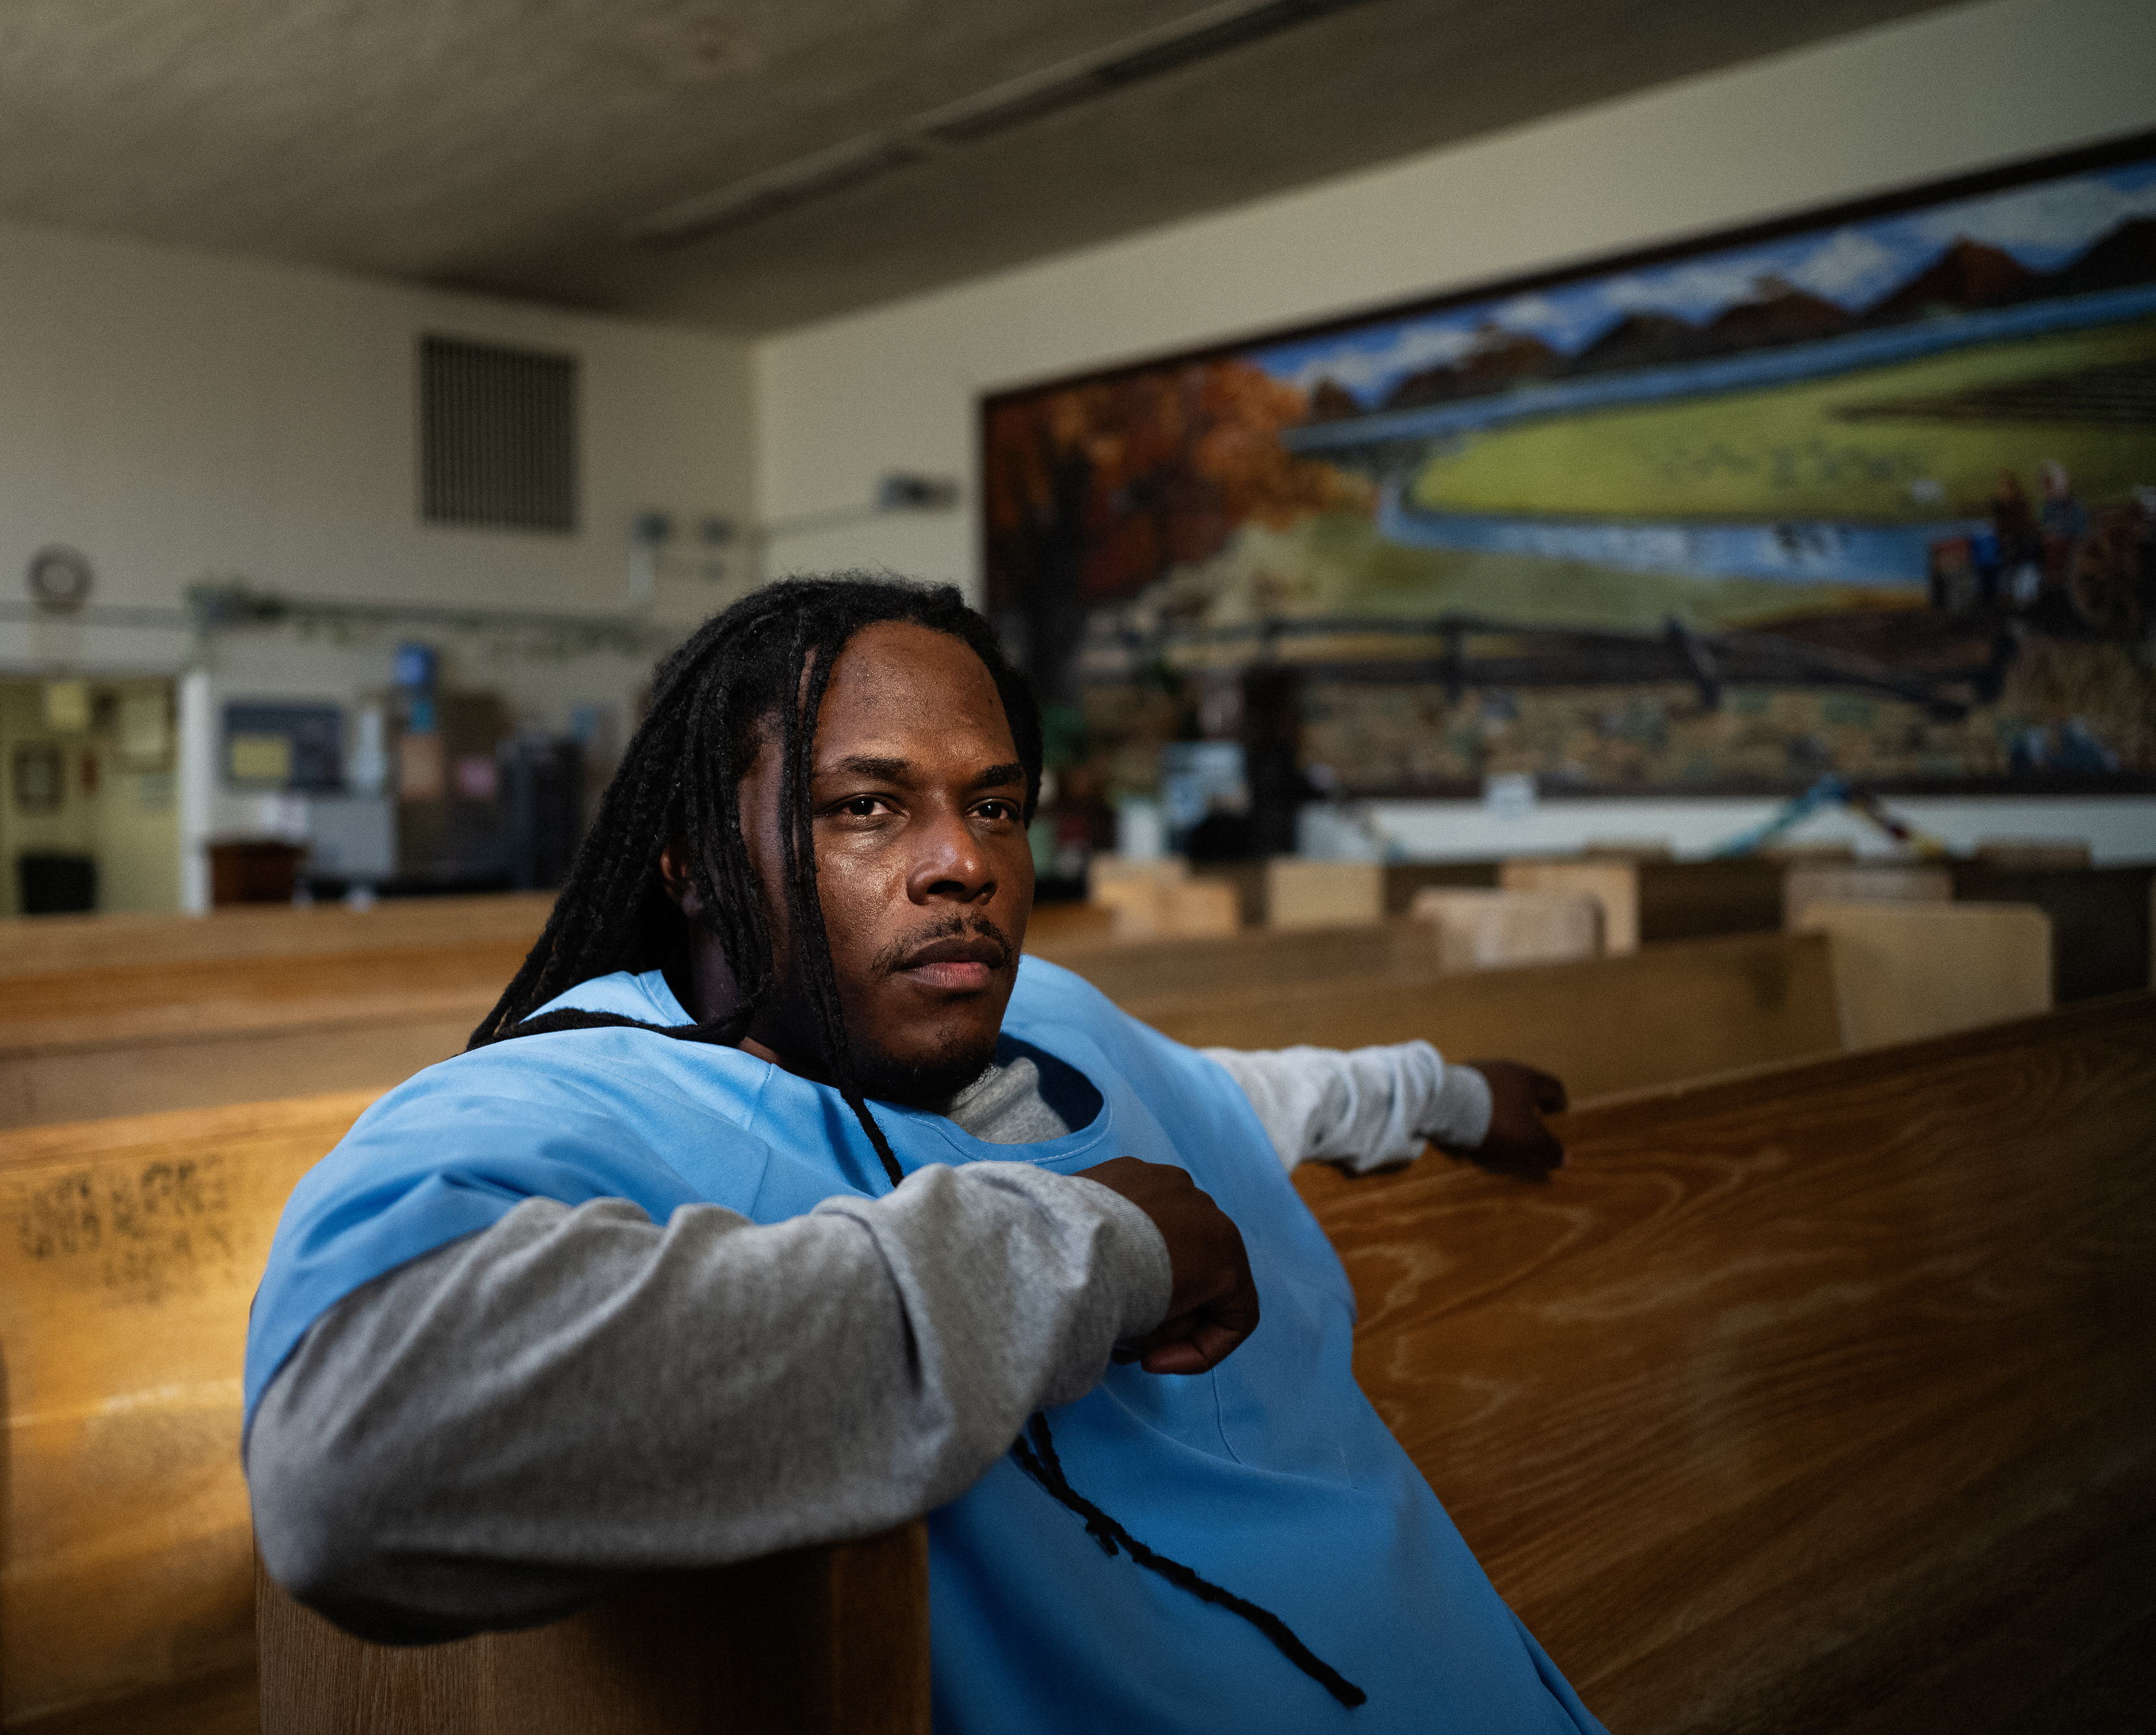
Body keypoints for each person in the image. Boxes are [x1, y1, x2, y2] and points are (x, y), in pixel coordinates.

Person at [245, 577, 1604, 1732]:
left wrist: (1435, 1094)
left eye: (995, 806)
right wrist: (1091, 1250)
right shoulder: (579, 1104)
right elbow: (357, 1455)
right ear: (693, 858)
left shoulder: (1026, 1014)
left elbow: (1213, 1097)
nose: (961, 860)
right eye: (867, 807)